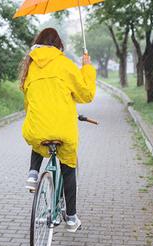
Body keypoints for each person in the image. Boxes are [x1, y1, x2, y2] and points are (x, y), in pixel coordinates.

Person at [18, 28, 96, 232]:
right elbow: (86, 95)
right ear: (58, 45)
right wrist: (86, 67)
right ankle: (71, 218)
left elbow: (28, 103)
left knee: (38, 135)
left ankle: (33, 174)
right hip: (63, 130)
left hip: (36, 127)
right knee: (68, 169)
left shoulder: (31, 67)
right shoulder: (64, 64)